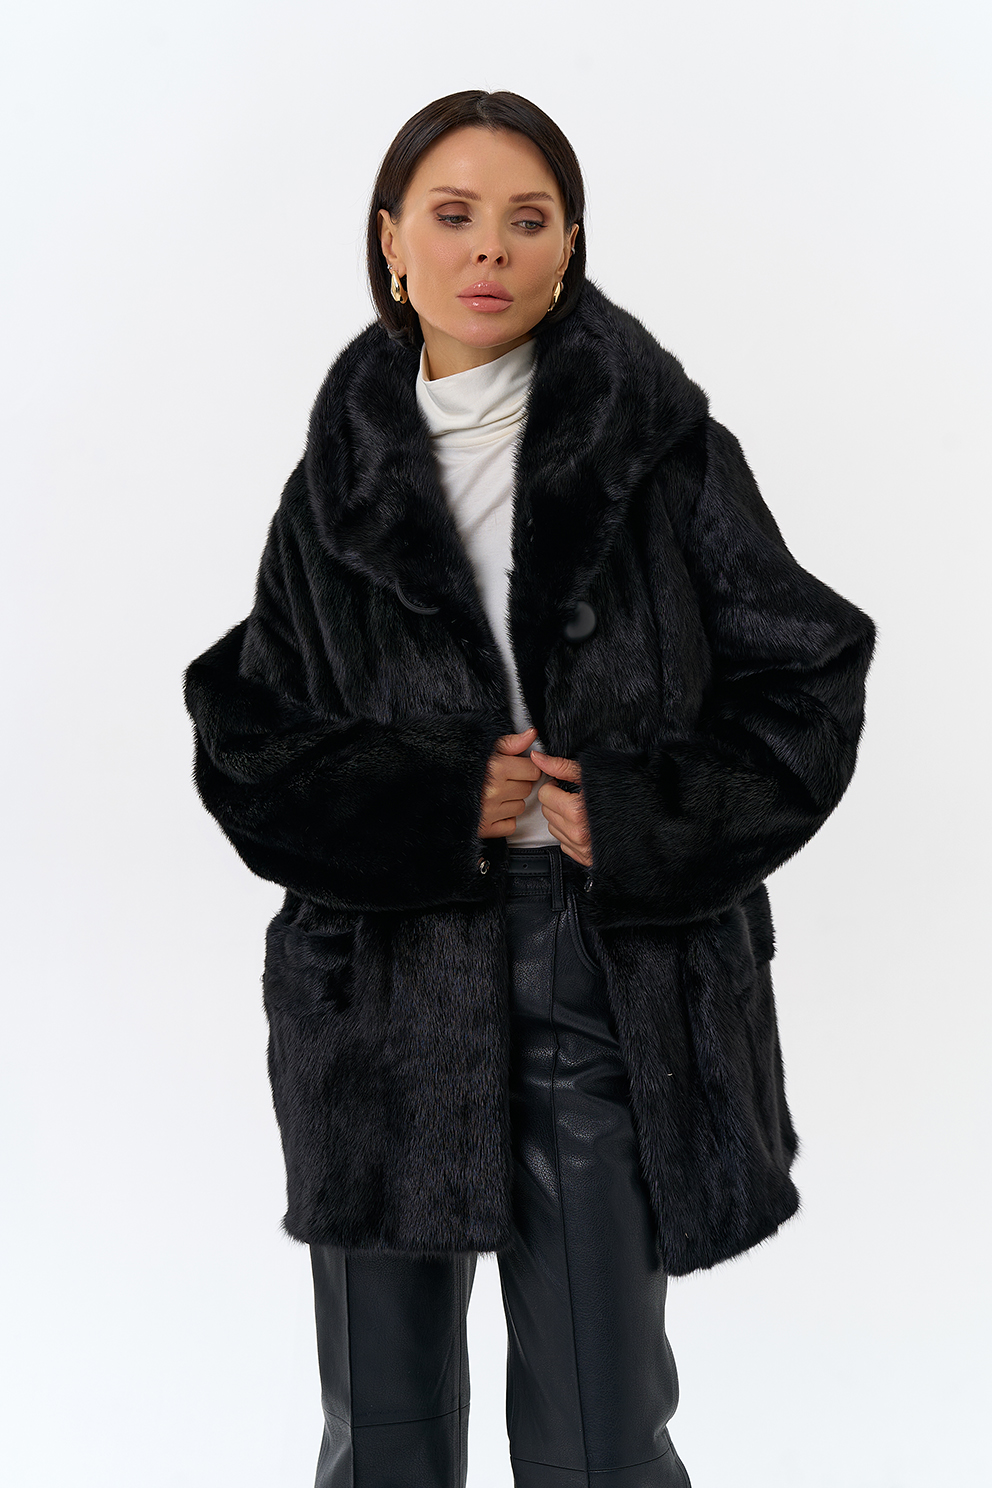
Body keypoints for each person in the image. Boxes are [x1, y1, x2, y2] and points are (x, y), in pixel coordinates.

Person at [183, 89, 875, 1488]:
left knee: (599, 1427)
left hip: (601, 971)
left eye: (528, 218)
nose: (489, 248)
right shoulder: (334, 484)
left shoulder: (663, 454)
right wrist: (437, 805)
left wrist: (641, 814)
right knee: (383, 1432)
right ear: (393, 243)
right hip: (380, 985)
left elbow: (809, 673)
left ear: (569, 247)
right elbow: (248, 735)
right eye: (453, 216)